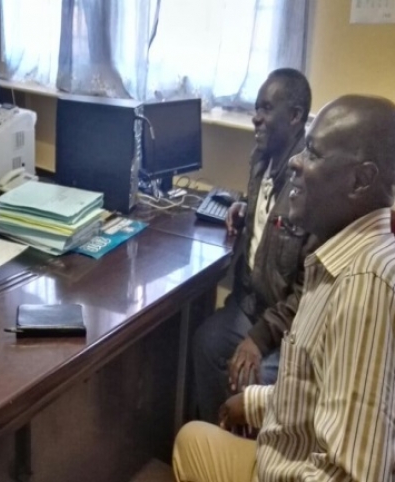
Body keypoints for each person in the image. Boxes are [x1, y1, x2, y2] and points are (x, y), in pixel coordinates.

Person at [173, 94, 395, 481]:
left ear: (361, 180)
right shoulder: (344, 252)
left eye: (313, 152)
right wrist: (256, 402)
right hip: (283, 450)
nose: (296, 160)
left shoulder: (366, 287)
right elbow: (319, 389)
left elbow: (351, 475)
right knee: (192, 437)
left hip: (289, 470)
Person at [192, 68, 318, 423]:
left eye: (266, 109)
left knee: (251, 375)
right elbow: (270, 214)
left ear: (295, 117)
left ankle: (254, 459)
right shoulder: (263, 158)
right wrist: (244, 206)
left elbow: (307, 290)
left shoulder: (309, 185)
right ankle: (221, 435)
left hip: (285, 326)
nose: (256, 117)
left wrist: (259, 340)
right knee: (205, 343)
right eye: (256, 108)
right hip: (249, 303)